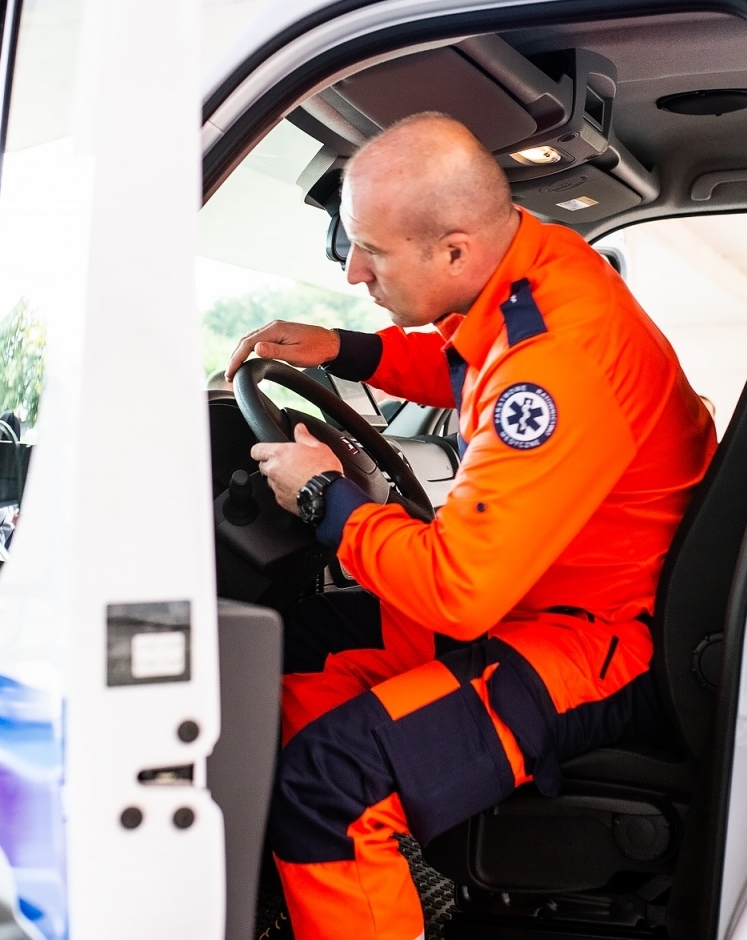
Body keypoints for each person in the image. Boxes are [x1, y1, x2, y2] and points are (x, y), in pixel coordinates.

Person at [228, 112, 717, 940]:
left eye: (371, 252)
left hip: (594, 642)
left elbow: (458, 593)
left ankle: (354, 845)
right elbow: (468, 365)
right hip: (543, 599)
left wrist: (325, 498)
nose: (354, 272)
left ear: (453, 250)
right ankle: (369, 879)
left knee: (329, 787)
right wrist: (343, 350)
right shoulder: (536, 269)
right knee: (301, 646)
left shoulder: (556, 358)